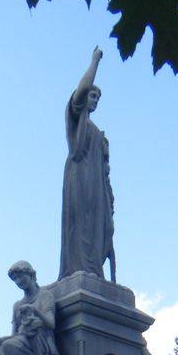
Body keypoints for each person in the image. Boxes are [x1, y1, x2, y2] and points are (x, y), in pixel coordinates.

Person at [59, 47, 116, 283]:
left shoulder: (96, 130)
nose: (94, 101)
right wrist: (95, 62)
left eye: (97, 98)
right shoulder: (77, 118)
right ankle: (78, 269)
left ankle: (93, 270)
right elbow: (82, 90)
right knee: (80, 225)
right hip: (79, 176)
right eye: (92, 96)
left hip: (96, 185)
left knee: (97, 228)